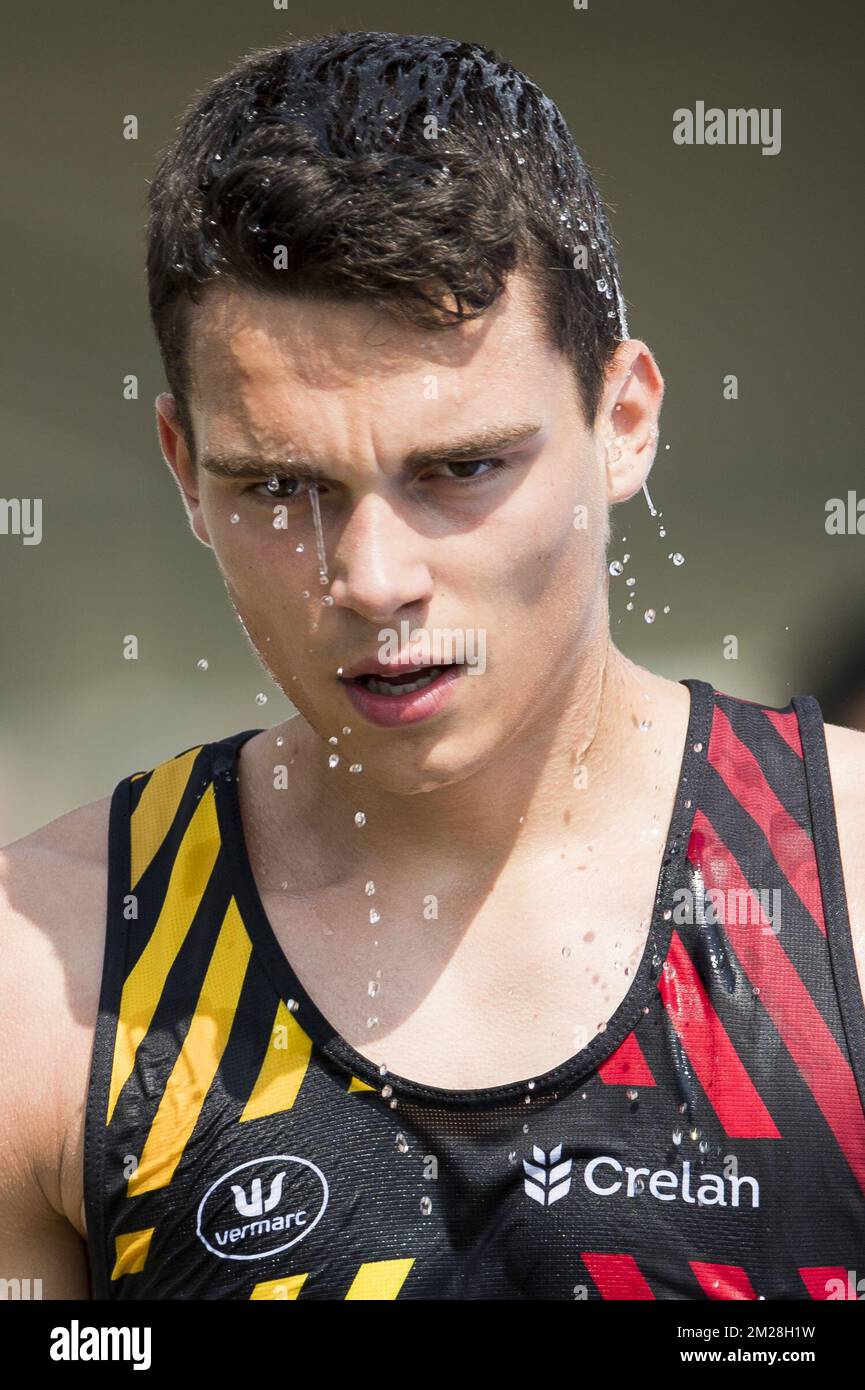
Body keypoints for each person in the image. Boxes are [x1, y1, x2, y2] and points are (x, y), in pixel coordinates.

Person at [2, 31, 865, 1303]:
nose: (370, 576)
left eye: (459, 469)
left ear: (624, 421)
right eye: (279, 486)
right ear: (185, 469)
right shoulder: (43, 975)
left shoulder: (849, 884)